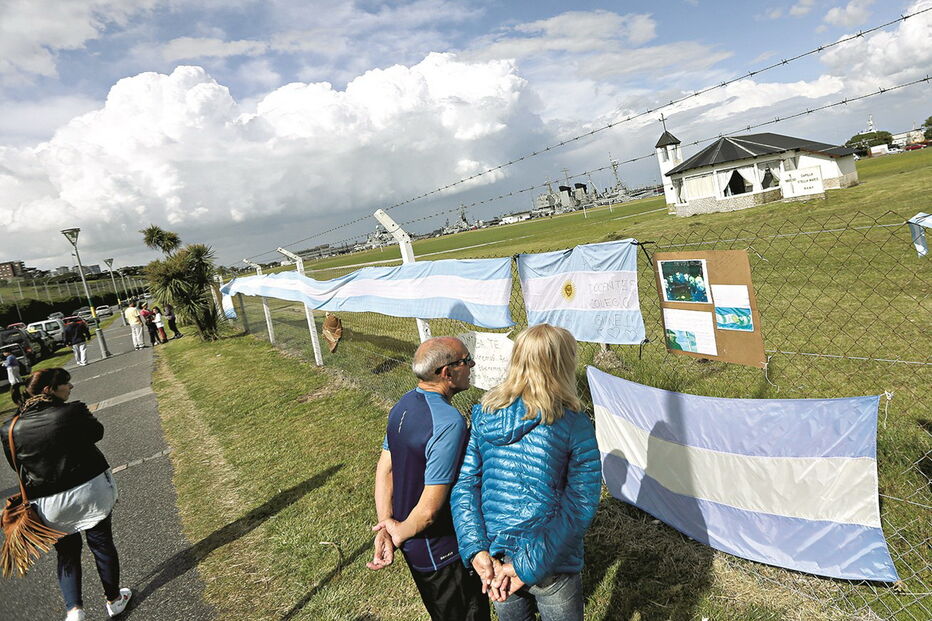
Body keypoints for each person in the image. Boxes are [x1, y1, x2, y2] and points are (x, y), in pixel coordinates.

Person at [451, 324, 601, 621]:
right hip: (550, 559)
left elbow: (465, 486)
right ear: (564, 364)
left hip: (496, 557)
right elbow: (581, 505)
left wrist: (477, 550)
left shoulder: (484, 413)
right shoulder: (574, 423)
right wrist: (525, 566)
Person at [368, 337, 489, 621]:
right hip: (441, 552)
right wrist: (397, 532)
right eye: (465, 360)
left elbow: (385, 469)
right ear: (447, 373)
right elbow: (430, 510)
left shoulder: (403, 404)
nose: (471, 365)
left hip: (415, 547)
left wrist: (387, 524)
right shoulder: (448, 422)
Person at [1, 369, 132, 620]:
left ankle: (74, 611)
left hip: (50, 502)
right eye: (65, 383)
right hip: (90, 490)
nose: (71, 387)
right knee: (101, 543)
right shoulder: (72, 411)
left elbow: (16, 465)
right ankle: (114, 599)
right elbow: (97, 433)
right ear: (49, 390)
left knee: (67, 553)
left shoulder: (10, 428)